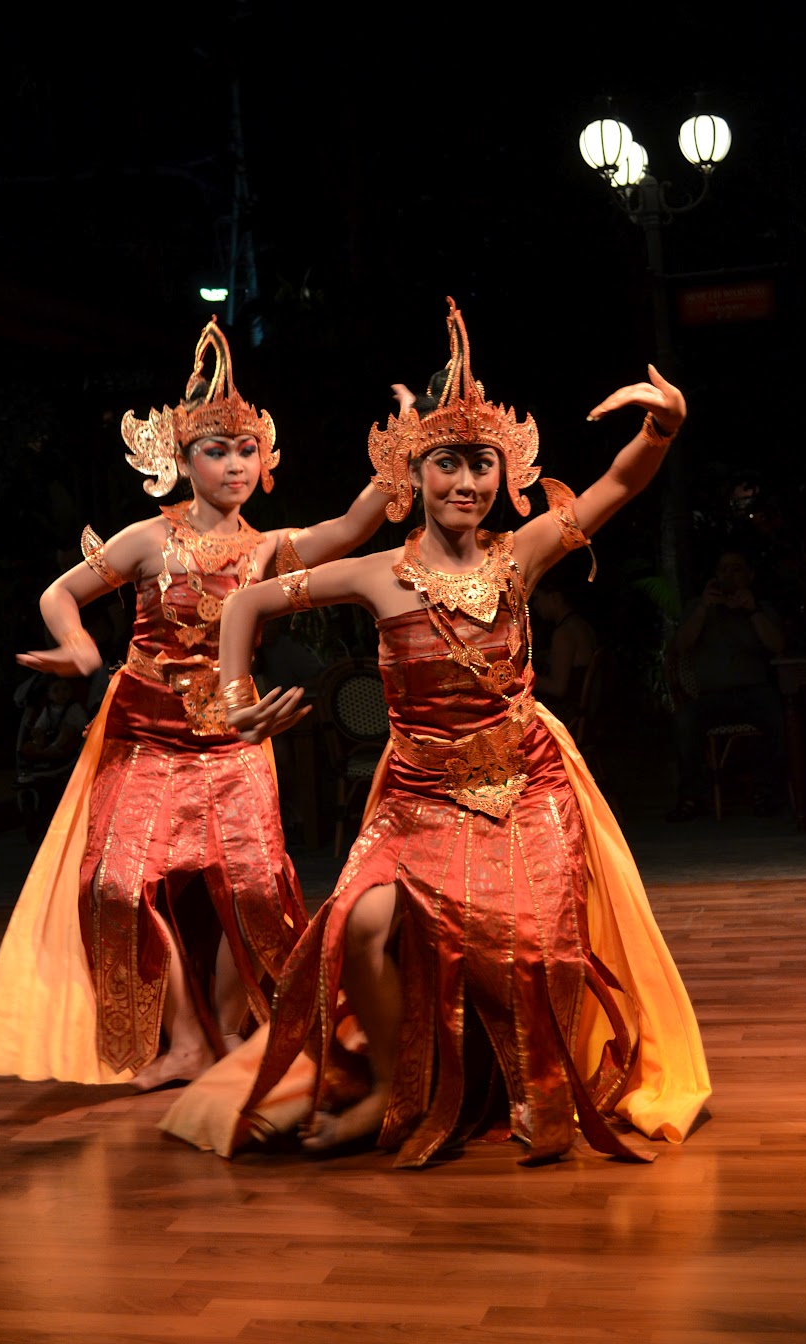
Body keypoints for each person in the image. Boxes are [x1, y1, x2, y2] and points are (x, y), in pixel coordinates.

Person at [162, 299, 710, 1167]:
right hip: (417, 796)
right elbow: (248, 603)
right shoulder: (376, 574)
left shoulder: (520, 556)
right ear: (412, 477)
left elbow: (617, 487)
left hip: (526, 783)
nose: (466, 483)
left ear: (505, 475)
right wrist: (234, 694)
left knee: (536, 944)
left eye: (481, 465)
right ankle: (391, 1083)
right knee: (359, 925)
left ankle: (534, 1082)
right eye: (446, 464)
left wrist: (662, 429)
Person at [0, 318, 407, 1092]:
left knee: (257, 890)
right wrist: (79, 649)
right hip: (144, 733)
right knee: (112, 885)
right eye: (215, 450)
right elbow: (60, 592)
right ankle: (188, 1038)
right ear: (180, 459)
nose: (234, 465)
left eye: (246, 450)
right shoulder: (147, 540)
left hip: (233, 735)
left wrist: (400, 453)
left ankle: (227, 1030)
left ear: (264, 460)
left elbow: (350, 527)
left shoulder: (266, 550)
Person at [667, 549, 786, 821]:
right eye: (723, 569)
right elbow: (680, 646)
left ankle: (768, 793)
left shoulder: (760, 607)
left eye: (736, 569)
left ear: (749, 575)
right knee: (684, 720)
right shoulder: (700, 607)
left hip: (754, 693)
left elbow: (778, 646)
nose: (728, 575)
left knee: (779, 715)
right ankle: (692, 798)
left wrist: (752, 611)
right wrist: (703, 609)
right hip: (711, 697)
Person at [532, 565, 598, 732]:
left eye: (537, 598)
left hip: (569, 714)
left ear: (555, 597)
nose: (535, 606)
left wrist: (524, 679)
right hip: (588, 715)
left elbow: (558, 688)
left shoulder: (563, 633)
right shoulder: (581, 625)